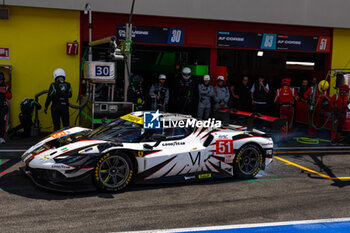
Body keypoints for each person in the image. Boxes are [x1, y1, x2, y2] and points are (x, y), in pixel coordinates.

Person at [0, 72, 12, 143]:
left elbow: (10, 97)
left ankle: (1, 137)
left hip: (3, 107)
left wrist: (5, 92)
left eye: (1, 80)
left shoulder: (6, 87)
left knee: (2, 122)